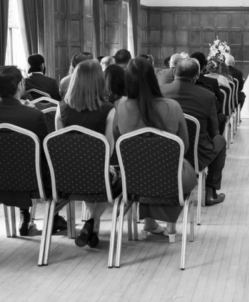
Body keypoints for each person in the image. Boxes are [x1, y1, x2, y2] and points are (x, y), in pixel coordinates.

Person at [0, 66, 67, 237]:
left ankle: (25, 216)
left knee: (15, 161)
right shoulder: (33, 115)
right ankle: (53, 219)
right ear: (20, 86)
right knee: (37, 165)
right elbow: (45, 152)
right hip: (33, 180)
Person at [114, 57, 198, 237]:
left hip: (132, 180)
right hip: (171, 178)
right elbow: (183, 145)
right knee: (170, 166)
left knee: (144, 166)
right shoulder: (172, 106)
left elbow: (117, 143)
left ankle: (150, 223)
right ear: (153, 78)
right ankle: (170, 225)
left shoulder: (119, 107)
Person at [54, 61, 116, 248]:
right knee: (110, 178)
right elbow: (108, 150)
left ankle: (92, 225)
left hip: (67, 176)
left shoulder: (61, 108)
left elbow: (59, 145)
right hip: (99, 176)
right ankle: (93, 222)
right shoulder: (108, 109)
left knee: (90, 181)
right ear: (100, 81)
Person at [161, 59, 226, 206]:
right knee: (220, 140)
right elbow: (213, 130)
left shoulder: (161, 91)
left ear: (173, 72)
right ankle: (210, 192)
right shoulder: (207, 96)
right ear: (197, 76)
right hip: (196, 155)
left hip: (164, 153)